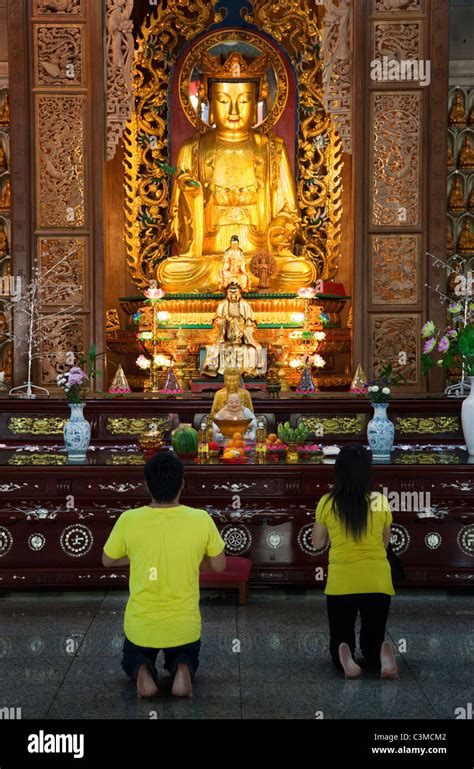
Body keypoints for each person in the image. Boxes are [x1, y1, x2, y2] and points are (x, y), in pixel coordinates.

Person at [102, 452, 226, 698]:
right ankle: (181, 668)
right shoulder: (200, 519)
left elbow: (108, 560)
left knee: (133, 656)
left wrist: (138, 555)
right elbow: (219, 566)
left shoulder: (129, 519)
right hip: (184, 626)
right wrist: (192, 559)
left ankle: (141, 670)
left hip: (141, 626)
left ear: (147, 484)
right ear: (182, 483)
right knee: (187, 653)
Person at [312, 443, 398, 680]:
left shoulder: (328, 503)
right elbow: (385, 542)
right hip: (378, 581)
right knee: (373, 635)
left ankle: (345, 658)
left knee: (341, 635)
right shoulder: (380, 500)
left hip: (342, 583)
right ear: (366, 472)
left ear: (338, 471)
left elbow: (317, 543)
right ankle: (379, 653)